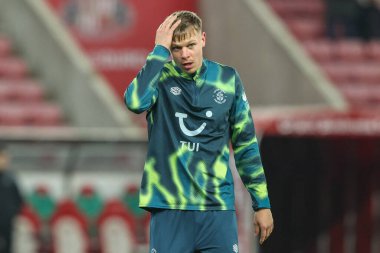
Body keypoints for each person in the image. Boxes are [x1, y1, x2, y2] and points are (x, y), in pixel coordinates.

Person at [124, 11, 273, 253]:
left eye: (191, 45)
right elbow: (134, 102)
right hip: (169, 206)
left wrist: (262, 204)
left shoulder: (227, 79)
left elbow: (246, 144)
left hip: (216, 208)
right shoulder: (159, 78)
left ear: (203, 39)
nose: (185, 54)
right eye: (176, 48)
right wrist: (158, 52)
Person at [0, 146, 23, 253]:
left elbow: (18, 199)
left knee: (8, 246)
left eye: (5, 157)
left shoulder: (10, 179)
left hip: (7, 221)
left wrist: (12, 213)